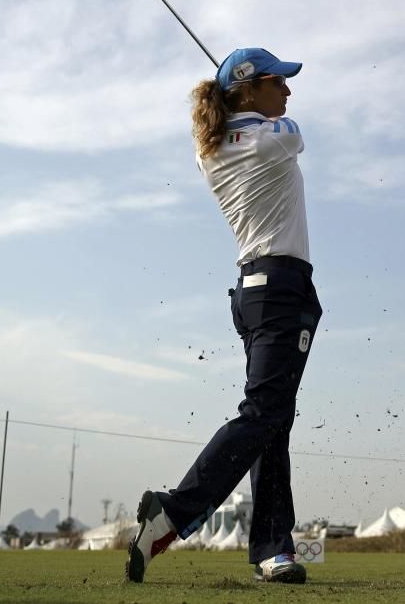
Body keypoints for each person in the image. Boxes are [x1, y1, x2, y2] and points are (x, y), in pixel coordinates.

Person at [125, 47, 322, 585]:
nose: (288, 91)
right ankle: (173, 512)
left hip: (256, 290)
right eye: (279, 81)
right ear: (249, 89)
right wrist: (255, 114)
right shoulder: (272, 137)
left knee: (272, 422)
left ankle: (271, 548)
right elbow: (295, 130)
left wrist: (242, 107)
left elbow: (253, 122)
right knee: (263, 415)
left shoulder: (210, 147)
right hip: (279, 288)